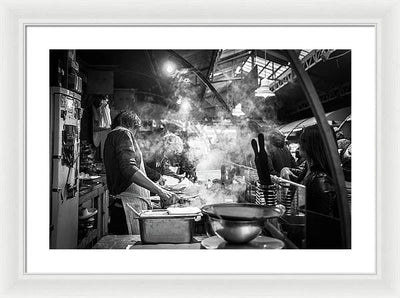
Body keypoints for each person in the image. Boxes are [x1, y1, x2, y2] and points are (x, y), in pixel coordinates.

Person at [103, 111, 178, 235]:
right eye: (136, 129)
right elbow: (129, 169)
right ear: (131, 124)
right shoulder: (123, 133)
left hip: (125, 206)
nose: (135, 134)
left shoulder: (113, 136)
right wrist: (160, 190)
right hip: (127, 206)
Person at [298, 125, 342, 249]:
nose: (299, 143)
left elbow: (323, 228)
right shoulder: (312, 171)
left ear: (312, 146)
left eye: (303, 140)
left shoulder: (320, 180)